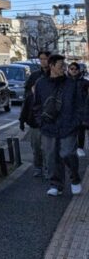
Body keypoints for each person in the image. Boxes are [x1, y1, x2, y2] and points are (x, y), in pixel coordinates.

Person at [32, 53, 84, 197]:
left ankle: (74, 178)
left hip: (68, 126)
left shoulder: (72, 84)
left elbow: (80, 105)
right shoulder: (41, 84)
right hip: (48, 126)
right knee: (51, 156)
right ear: (52, 66)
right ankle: (56, 185)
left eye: (64, 66)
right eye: (61, 66)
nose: (64, 69)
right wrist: (40, 122)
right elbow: (36, 105)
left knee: (67, 153)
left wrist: (77, 122)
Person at [19, 50, 50, 177]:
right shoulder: (34, 76)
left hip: (50, 118)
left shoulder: (54, 76)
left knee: (48, 148)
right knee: (36, 146)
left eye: (45, 58)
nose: (43, 61)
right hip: (35, 118)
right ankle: (38, 167)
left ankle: (49, 169)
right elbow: (27, 96)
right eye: (41, 59)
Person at [67, 61, 87, 156]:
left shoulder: (85, 83)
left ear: (79, 70)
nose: (74, 71)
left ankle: (80, 147)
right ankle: (71, 148)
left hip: (81, 110)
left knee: (80, 130)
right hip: (68, 111)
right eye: (72, 69)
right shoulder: (64, 82)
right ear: (68, 70)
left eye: (76, 69)